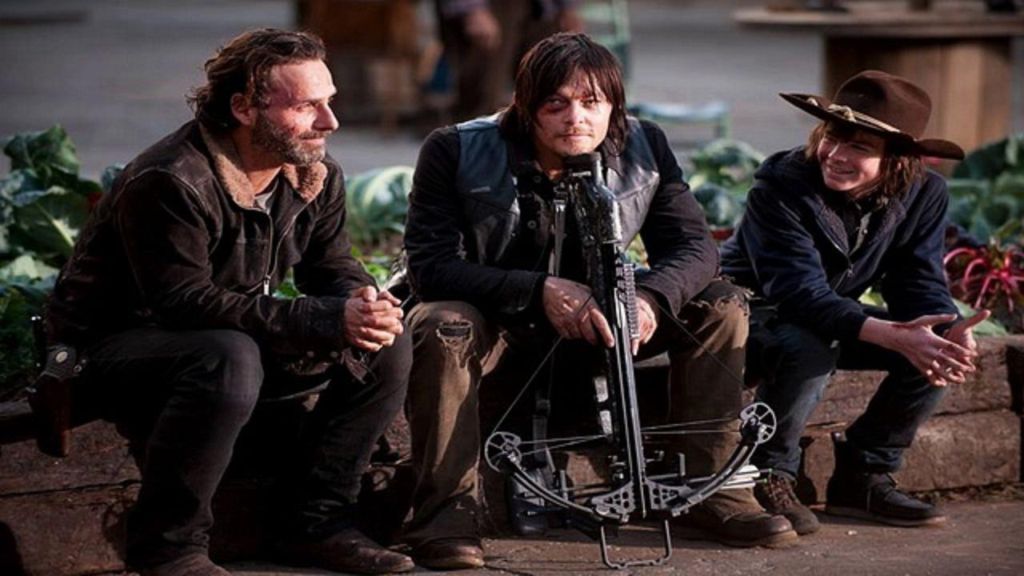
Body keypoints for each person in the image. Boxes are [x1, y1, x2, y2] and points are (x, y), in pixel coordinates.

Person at [401, 32, 797, 570]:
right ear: (526, 107)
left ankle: (713, 489)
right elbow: (430, 267)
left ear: (614, 105)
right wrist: (537, 290)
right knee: (443, 322)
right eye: (556, 104)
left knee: (721, 304)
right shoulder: (455, 149)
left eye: (592, 102)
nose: (576, 119)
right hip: (500, 320)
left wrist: (650, 300)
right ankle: (447, 512)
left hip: (604, 320)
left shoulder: (644, 146)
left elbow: (695, 248)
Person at [44, 29, 413, 576]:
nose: (330, 121)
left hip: (222, 334)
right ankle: (168, 547)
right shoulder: (171, 180)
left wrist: (363, 302)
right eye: (306, 106)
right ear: (243, 108)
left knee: (384, 346)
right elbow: (181, 303)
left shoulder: (313, 172)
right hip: (111, 348)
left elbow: (329, 265)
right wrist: (321, 317)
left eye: (329, 101)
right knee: (227, 357)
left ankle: (315, 524)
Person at [721, 70, 991, 536]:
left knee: (935, 349)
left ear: (896, 159)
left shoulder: (924, 193)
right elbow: (797, 292)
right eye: (832, 137)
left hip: (824, 313)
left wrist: (945, 329)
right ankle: (769, 472)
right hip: (749, 311)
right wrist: (891, 335)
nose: (836, 155)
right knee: (809, 347)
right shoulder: (781, 185)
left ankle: (863, 475)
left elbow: (917, 281)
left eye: (859, 147)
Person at [434, 0, 582, 121]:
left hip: (543, 9)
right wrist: (472, 8)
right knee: (482, 100)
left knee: (545, 93)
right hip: (490, 8)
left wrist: (567, 6)